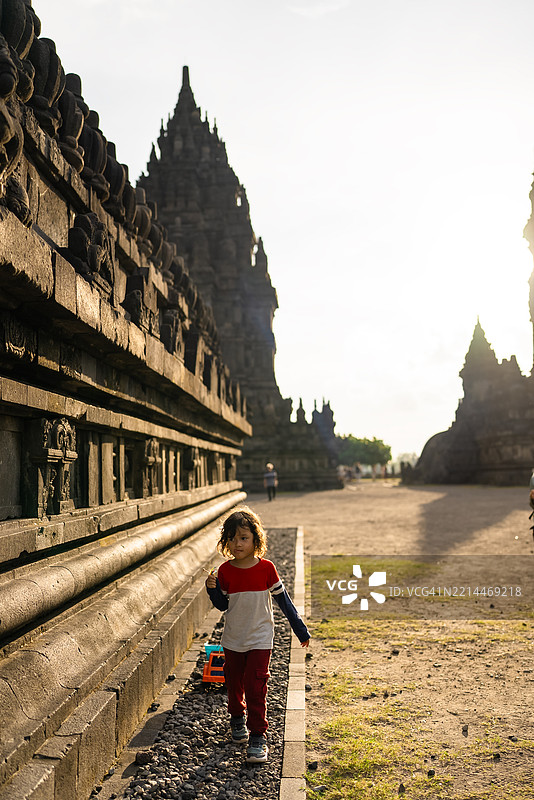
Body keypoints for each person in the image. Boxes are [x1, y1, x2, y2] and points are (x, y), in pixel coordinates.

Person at [205, 507, 310, 763]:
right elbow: (223, 605)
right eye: (231, 538)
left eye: (243, 538)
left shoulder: (266, 569)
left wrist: (300, 629)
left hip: (261, 637)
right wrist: (212, 590)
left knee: (255, 686)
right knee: (234, 684)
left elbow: (283, 601)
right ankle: (237, 717)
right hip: (233, 638)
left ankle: (258, 735)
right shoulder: (225, 571)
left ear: (255, 539)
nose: (237, 543)